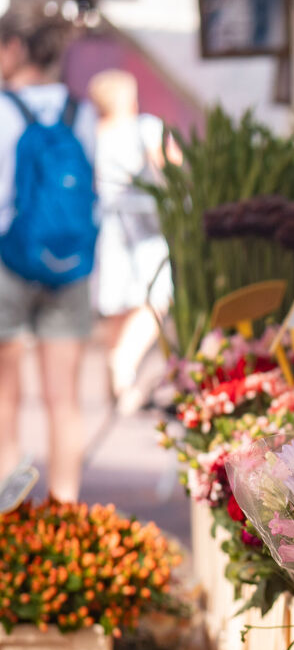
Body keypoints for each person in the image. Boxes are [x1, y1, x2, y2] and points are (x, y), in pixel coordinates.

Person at [0, 6, 97, 502]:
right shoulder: (81, 111)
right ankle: (66, 511)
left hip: (6, 263)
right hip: (69, 264)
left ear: (15, 49)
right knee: (64, 400)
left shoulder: (2, 109)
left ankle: (7, 512)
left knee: (5, 398)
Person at [88, 69, 177, 412]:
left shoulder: (94, 133)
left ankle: (118, 387)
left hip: (105, 225)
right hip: (144, 223)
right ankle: (123, 362)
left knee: (116, 308)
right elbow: (172, 164)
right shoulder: (146, 127)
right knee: (156, 299)